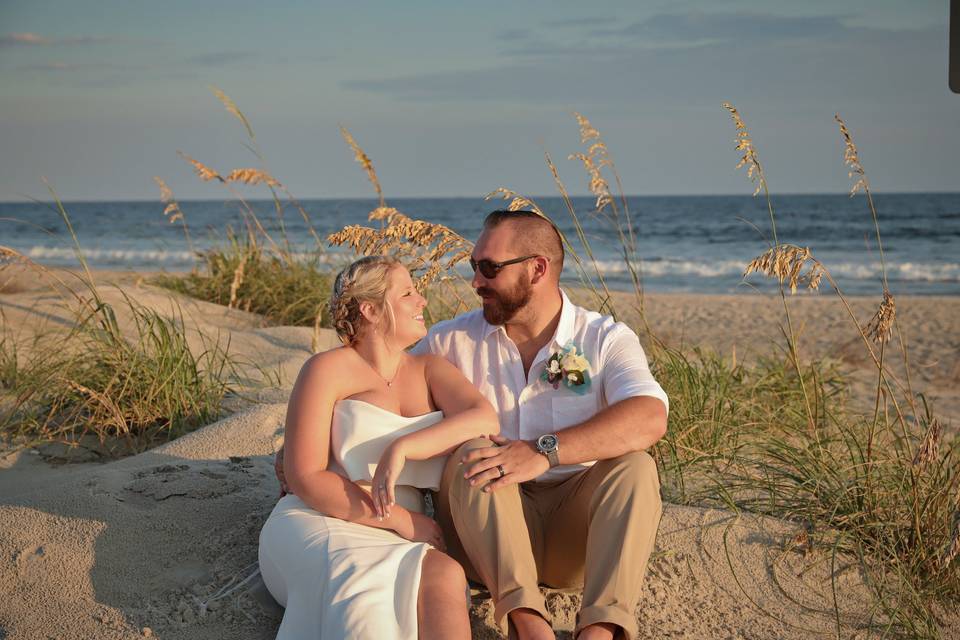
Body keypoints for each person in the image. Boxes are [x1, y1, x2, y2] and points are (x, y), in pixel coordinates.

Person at [415, 210, 669, 640]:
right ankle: (527, 624)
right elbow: (379, 388)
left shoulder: (604, 339)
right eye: (474, 266)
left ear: (537, 269)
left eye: (489, 268)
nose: (475, 281)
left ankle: (601, 628)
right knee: (473, 452)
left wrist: (540, 450)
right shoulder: (449, 341)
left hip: (576, 539)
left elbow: (649, 416)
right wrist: (307, 441)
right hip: (483, 537)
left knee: (636, 467)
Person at [259, 255, 498, 640]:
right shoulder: (327, 369)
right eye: (407, 293)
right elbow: (305, 476)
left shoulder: (429, 370)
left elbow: (485, 418)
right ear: (370, 310)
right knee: (363, 591)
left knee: (446, 576)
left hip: (401, 536)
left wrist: (403, 447)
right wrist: (403, 521)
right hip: (324, 518)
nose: (422, 301)